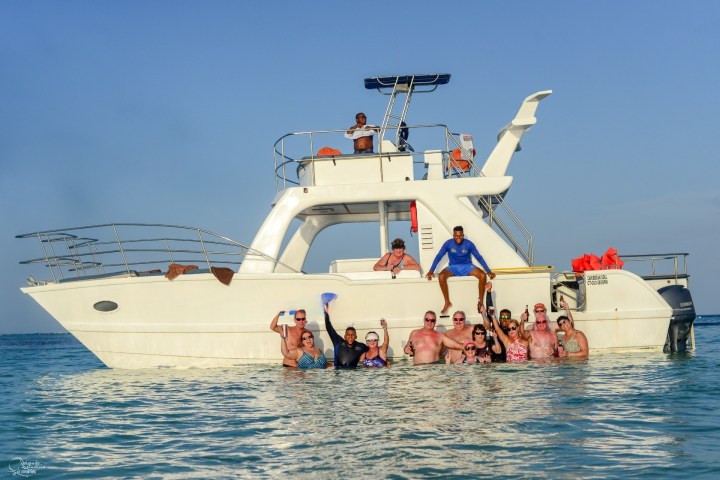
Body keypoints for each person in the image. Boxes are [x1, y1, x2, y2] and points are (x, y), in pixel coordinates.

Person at [425, 226, 496, 315]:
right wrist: (431, 270)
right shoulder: (448, 244)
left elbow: (479, 257)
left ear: (463, 235)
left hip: (467, 266)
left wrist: (488, 271)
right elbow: (439, 256)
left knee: (482, 275)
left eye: (460, 236)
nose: (458, 238)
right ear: (453, 235)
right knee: (441, 276)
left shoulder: (469, 244)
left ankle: (480, 302)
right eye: (456, 236)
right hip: (453, 267)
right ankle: (447, 302)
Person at [324, 303, 368, 368]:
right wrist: (326, 313)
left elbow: (372, 351)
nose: (350, 337)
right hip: (339, 375)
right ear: (344, 337)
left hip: (354, 374)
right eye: (348, 335)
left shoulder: (361, 346)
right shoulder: (338, 342)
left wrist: (385, 360)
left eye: (352, 335)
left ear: (356, 337)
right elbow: (329, 327)